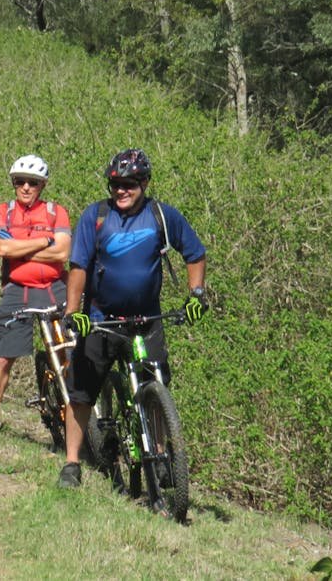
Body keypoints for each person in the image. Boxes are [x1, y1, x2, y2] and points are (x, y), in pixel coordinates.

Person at [57, 149, 208, 488]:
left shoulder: (163, 217)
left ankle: (159, 453)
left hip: (146, 320)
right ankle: (71, 464)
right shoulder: (95, 217)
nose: (121, 191)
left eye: (129, 185)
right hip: (100, 320)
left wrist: (197, 294)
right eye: (115, 185)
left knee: (155, 385)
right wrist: (72, 313)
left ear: (144, 183)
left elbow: (195, 254)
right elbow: (78, 266)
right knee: (81, 393)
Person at [0, 155, 71, 433]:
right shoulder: (2, 212)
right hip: (16, 289)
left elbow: (63, 252)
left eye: (32, 182)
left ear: (42, 185)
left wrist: (22, 247)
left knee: (68, 349)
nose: (25, 187)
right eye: (19, 182)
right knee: (5, 356)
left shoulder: (57, 212)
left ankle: (74, 413)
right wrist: (45, 241)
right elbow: (2, 250)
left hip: (54, 287)